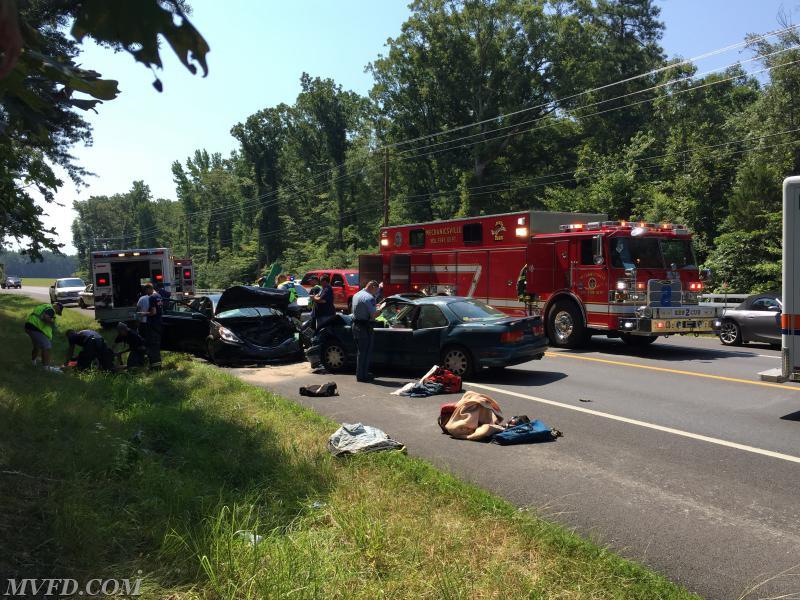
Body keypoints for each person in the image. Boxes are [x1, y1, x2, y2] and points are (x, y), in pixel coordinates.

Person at [351, 280, 380, 382]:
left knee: (361, 352)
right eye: (376, 290)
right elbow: (374, 315)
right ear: (372, 287)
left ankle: (361, 374)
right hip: (365, 327)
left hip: (356, 326)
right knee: (366, 352)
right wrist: (380, 310)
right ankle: (363, 375)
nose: (376, 292)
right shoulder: (369, 298)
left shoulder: (356, 295)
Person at [24, 302, 63, 368]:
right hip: (35, 328)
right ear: (57, 307)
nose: (56, 313)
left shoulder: (44, 306)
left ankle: (33, 362)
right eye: (58, 311)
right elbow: (45, 317)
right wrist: (52, 323)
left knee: (37, 346)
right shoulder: (51, 310)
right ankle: (45, 367)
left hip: (29, 326)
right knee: (47, 346)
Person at [139, 282, 163, 369]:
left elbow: (153, 312)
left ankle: (155, 367)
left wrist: (142, 314)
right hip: (159, 323)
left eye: (146, 291)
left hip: (153, 324)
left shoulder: (152, 297)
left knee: (152, 345)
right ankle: (157, 365)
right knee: (156, 345)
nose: (146, 293)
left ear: (149, 288)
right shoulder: (159, 296)